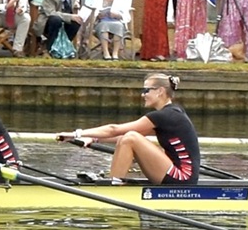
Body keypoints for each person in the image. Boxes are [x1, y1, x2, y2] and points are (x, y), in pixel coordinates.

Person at [60, 72, 201, 183]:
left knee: (131, 138)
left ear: (160, 91)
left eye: (146, 90)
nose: (143, 94)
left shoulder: (165, 116)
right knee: (128, 137)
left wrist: (76, 134)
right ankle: (116, 180)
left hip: (182, 177)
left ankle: (114, 186)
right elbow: (121, 136)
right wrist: (94, 139)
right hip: (178, 173)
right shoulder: (172, 113)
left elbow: (114, 129)